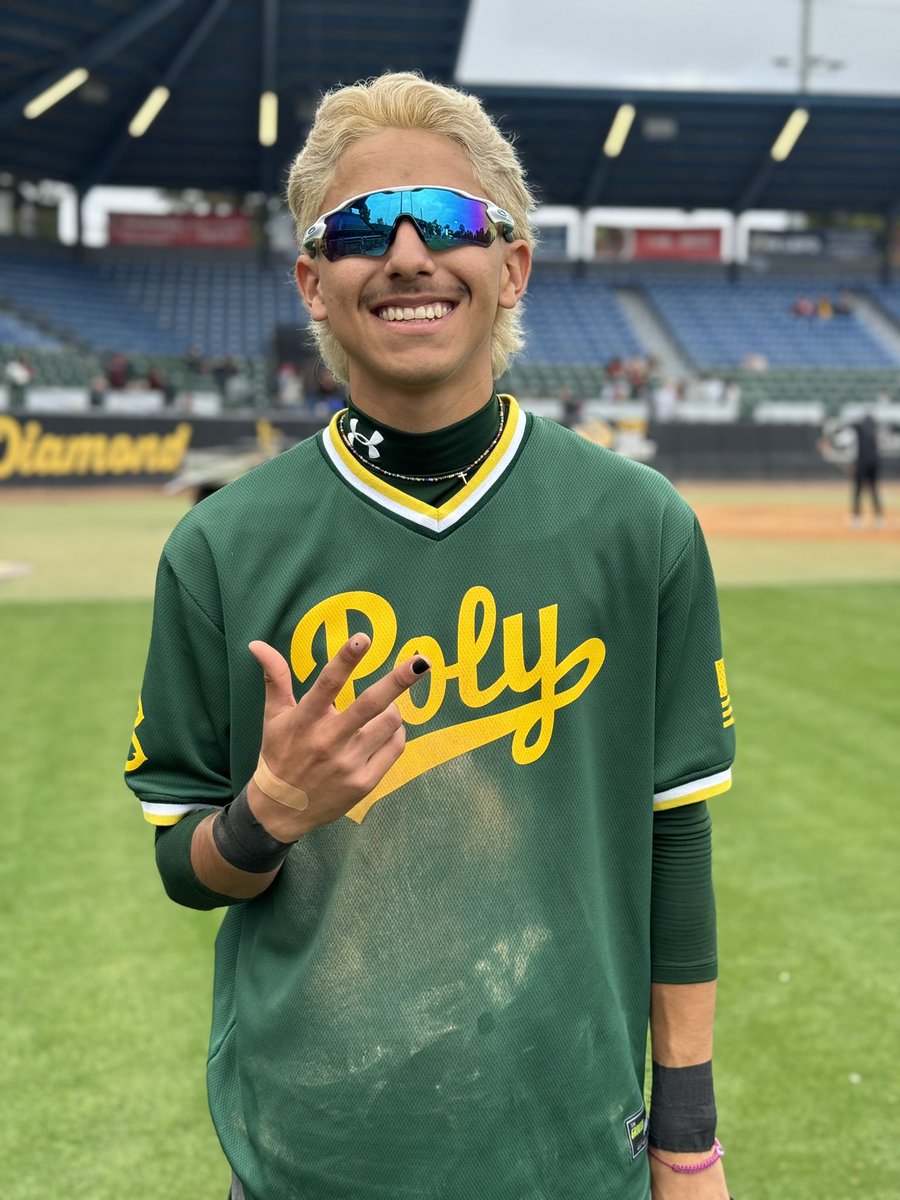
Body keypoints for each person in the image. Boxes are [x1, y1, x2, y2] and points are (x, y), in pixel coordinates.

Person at [124, 71, 735, 1200]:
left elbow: (674, 839)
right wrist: (266, 817)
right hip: (308, 1160)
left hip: (569, 1155)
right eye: (358, 228)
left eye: (450, 219)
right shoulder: (222, 548)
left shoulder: (637, 525)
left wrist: (688, 1140)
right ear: (314, 281)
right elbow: (185, 865)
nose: (405, 253)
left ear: (511, 267)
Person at [851, 410, 884, 528]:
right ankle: (879, 518)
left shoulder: (859, 428)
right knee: (874, 490)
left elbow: (849, 427)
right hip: (874, 463)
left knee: (858, 491)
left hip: (862, 463)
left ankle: (856, 518)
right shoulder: (875, 428)